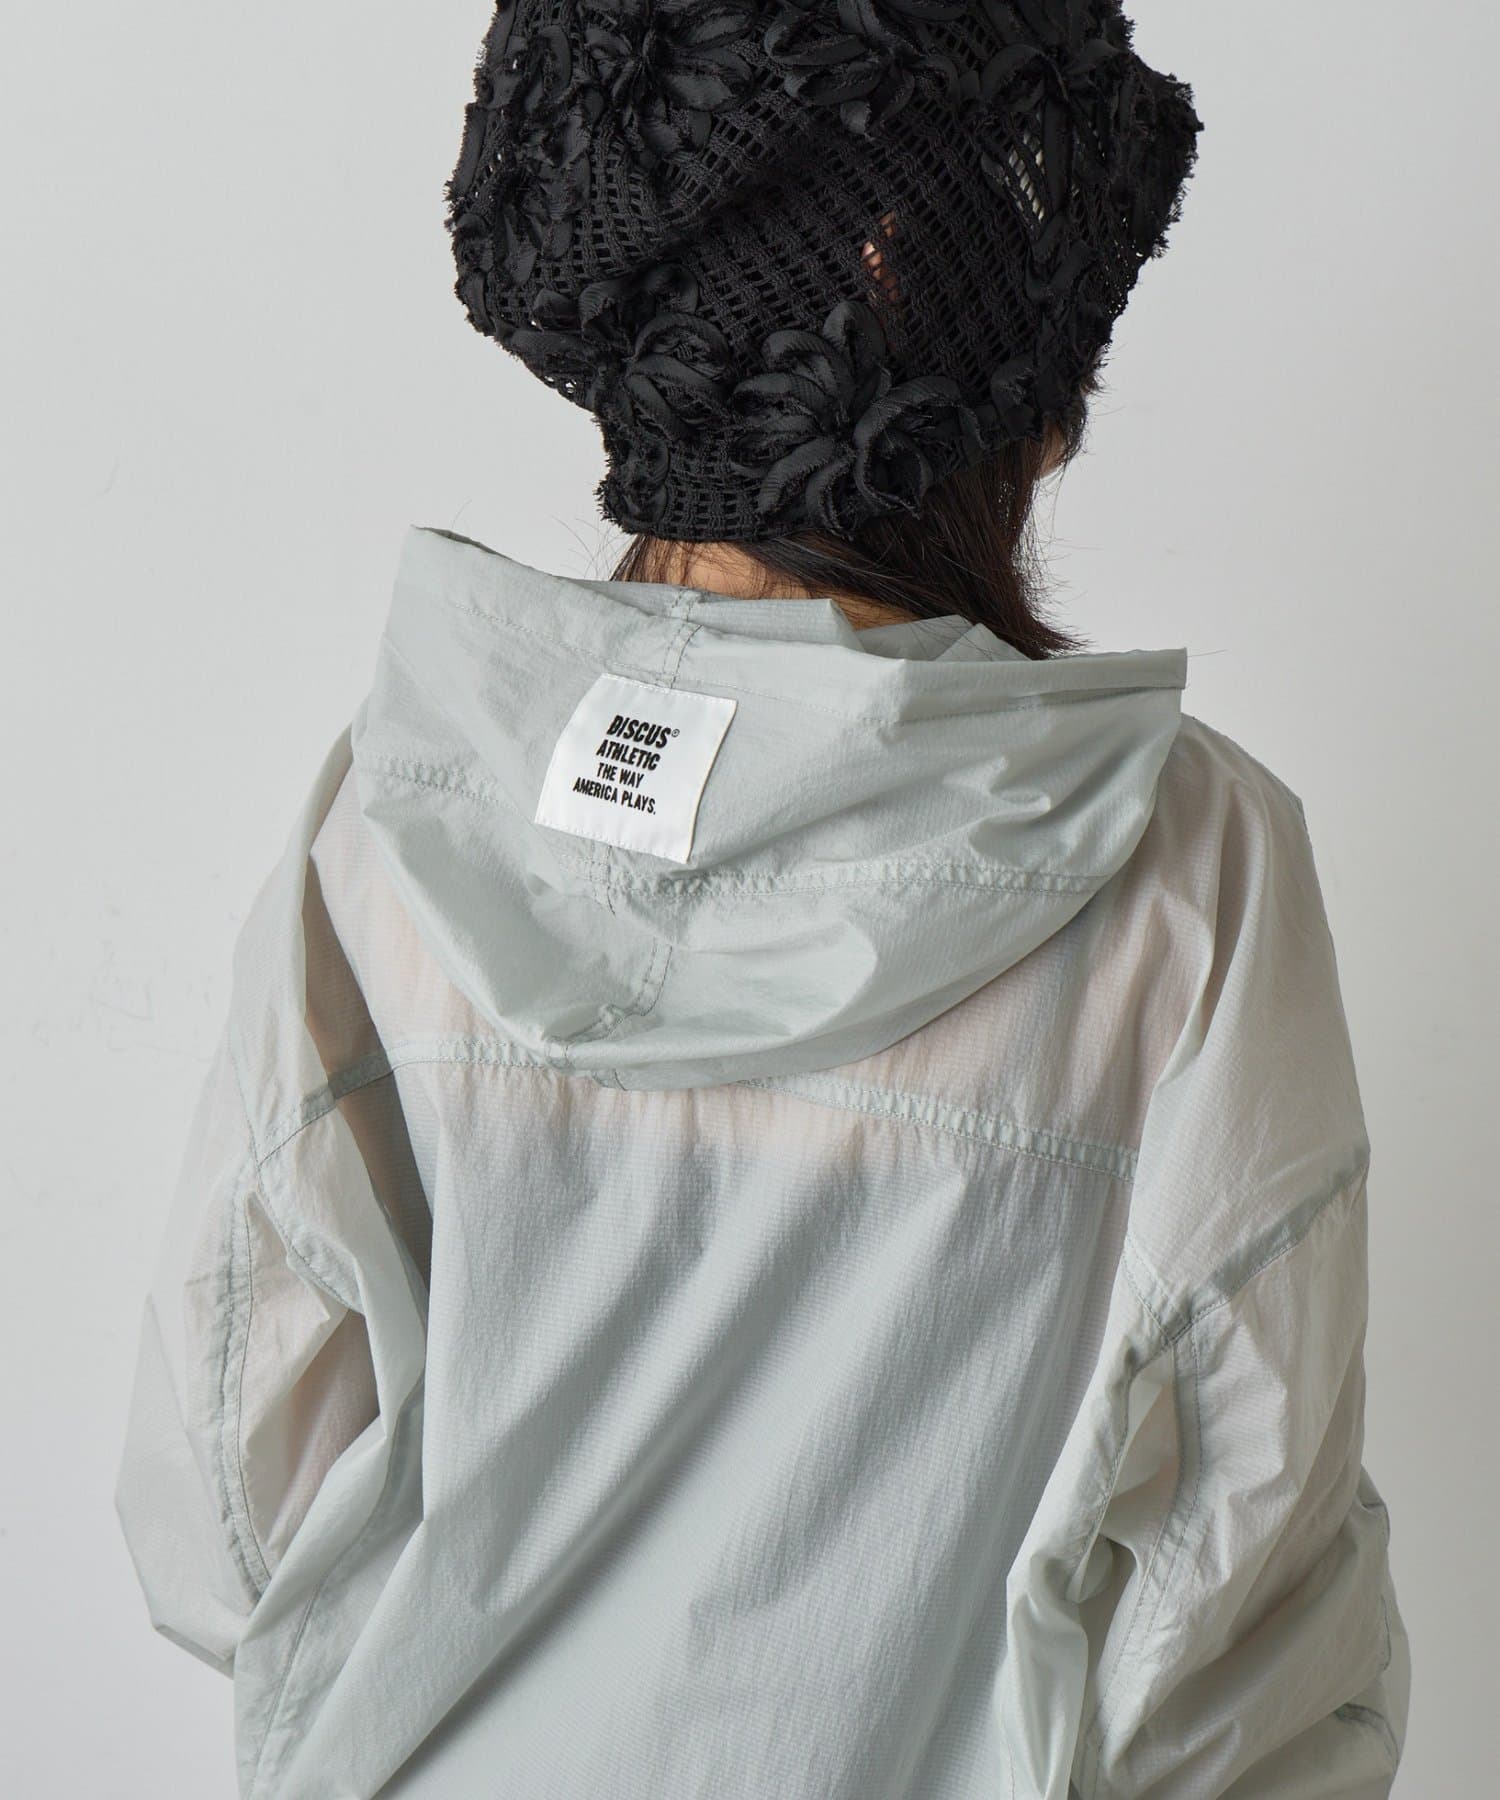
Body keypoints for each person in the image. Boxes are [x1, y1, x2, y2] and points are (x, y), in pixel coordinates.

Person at [113, 4, 1411, 1796]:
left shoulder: (396, 817)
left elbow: (226, 1504)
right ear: (946, 316)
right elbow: (1239, 1629)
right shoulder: (1191, 870)